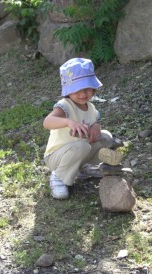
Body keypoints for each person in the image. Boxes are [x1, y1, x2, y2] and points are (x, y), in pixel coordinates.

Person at [43, 57, 116, 199]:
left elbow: (95, 120)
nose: (83, 94)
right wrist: (68, 122)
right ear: (68, 90)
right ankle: (58, 177)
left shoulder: (91, 107)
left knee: (106, 137)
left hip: (79, 152)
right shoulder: (65, 106)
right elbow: (47, 122)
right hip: (57, 156)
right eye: (77, 89)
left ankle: (82, 169)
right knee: (83, 147)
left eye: (87, 89)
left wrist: (96, 126)